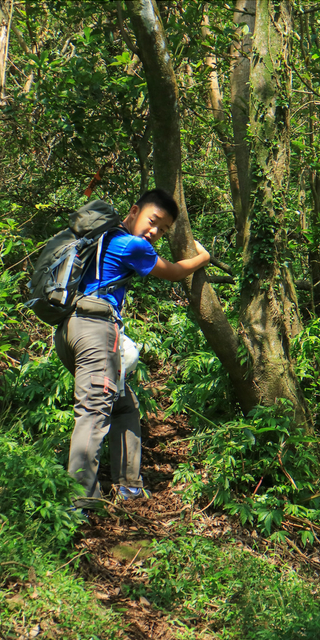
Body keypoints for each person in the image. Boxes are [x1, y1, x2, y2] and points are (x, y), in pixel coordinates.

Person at [53, 189, 211, 512]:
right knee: (94, 412)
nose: (155, 233)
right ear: (134, 211)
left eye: (163, 230)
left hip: (69, 329)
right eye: (153, 222)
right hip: (97, 330)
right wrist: (204, 257)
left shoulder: (103, 239)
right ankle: (76, 505)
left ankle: (128, 488)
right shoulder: (132, 245)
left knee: (123, 405)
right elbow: (176, 271)